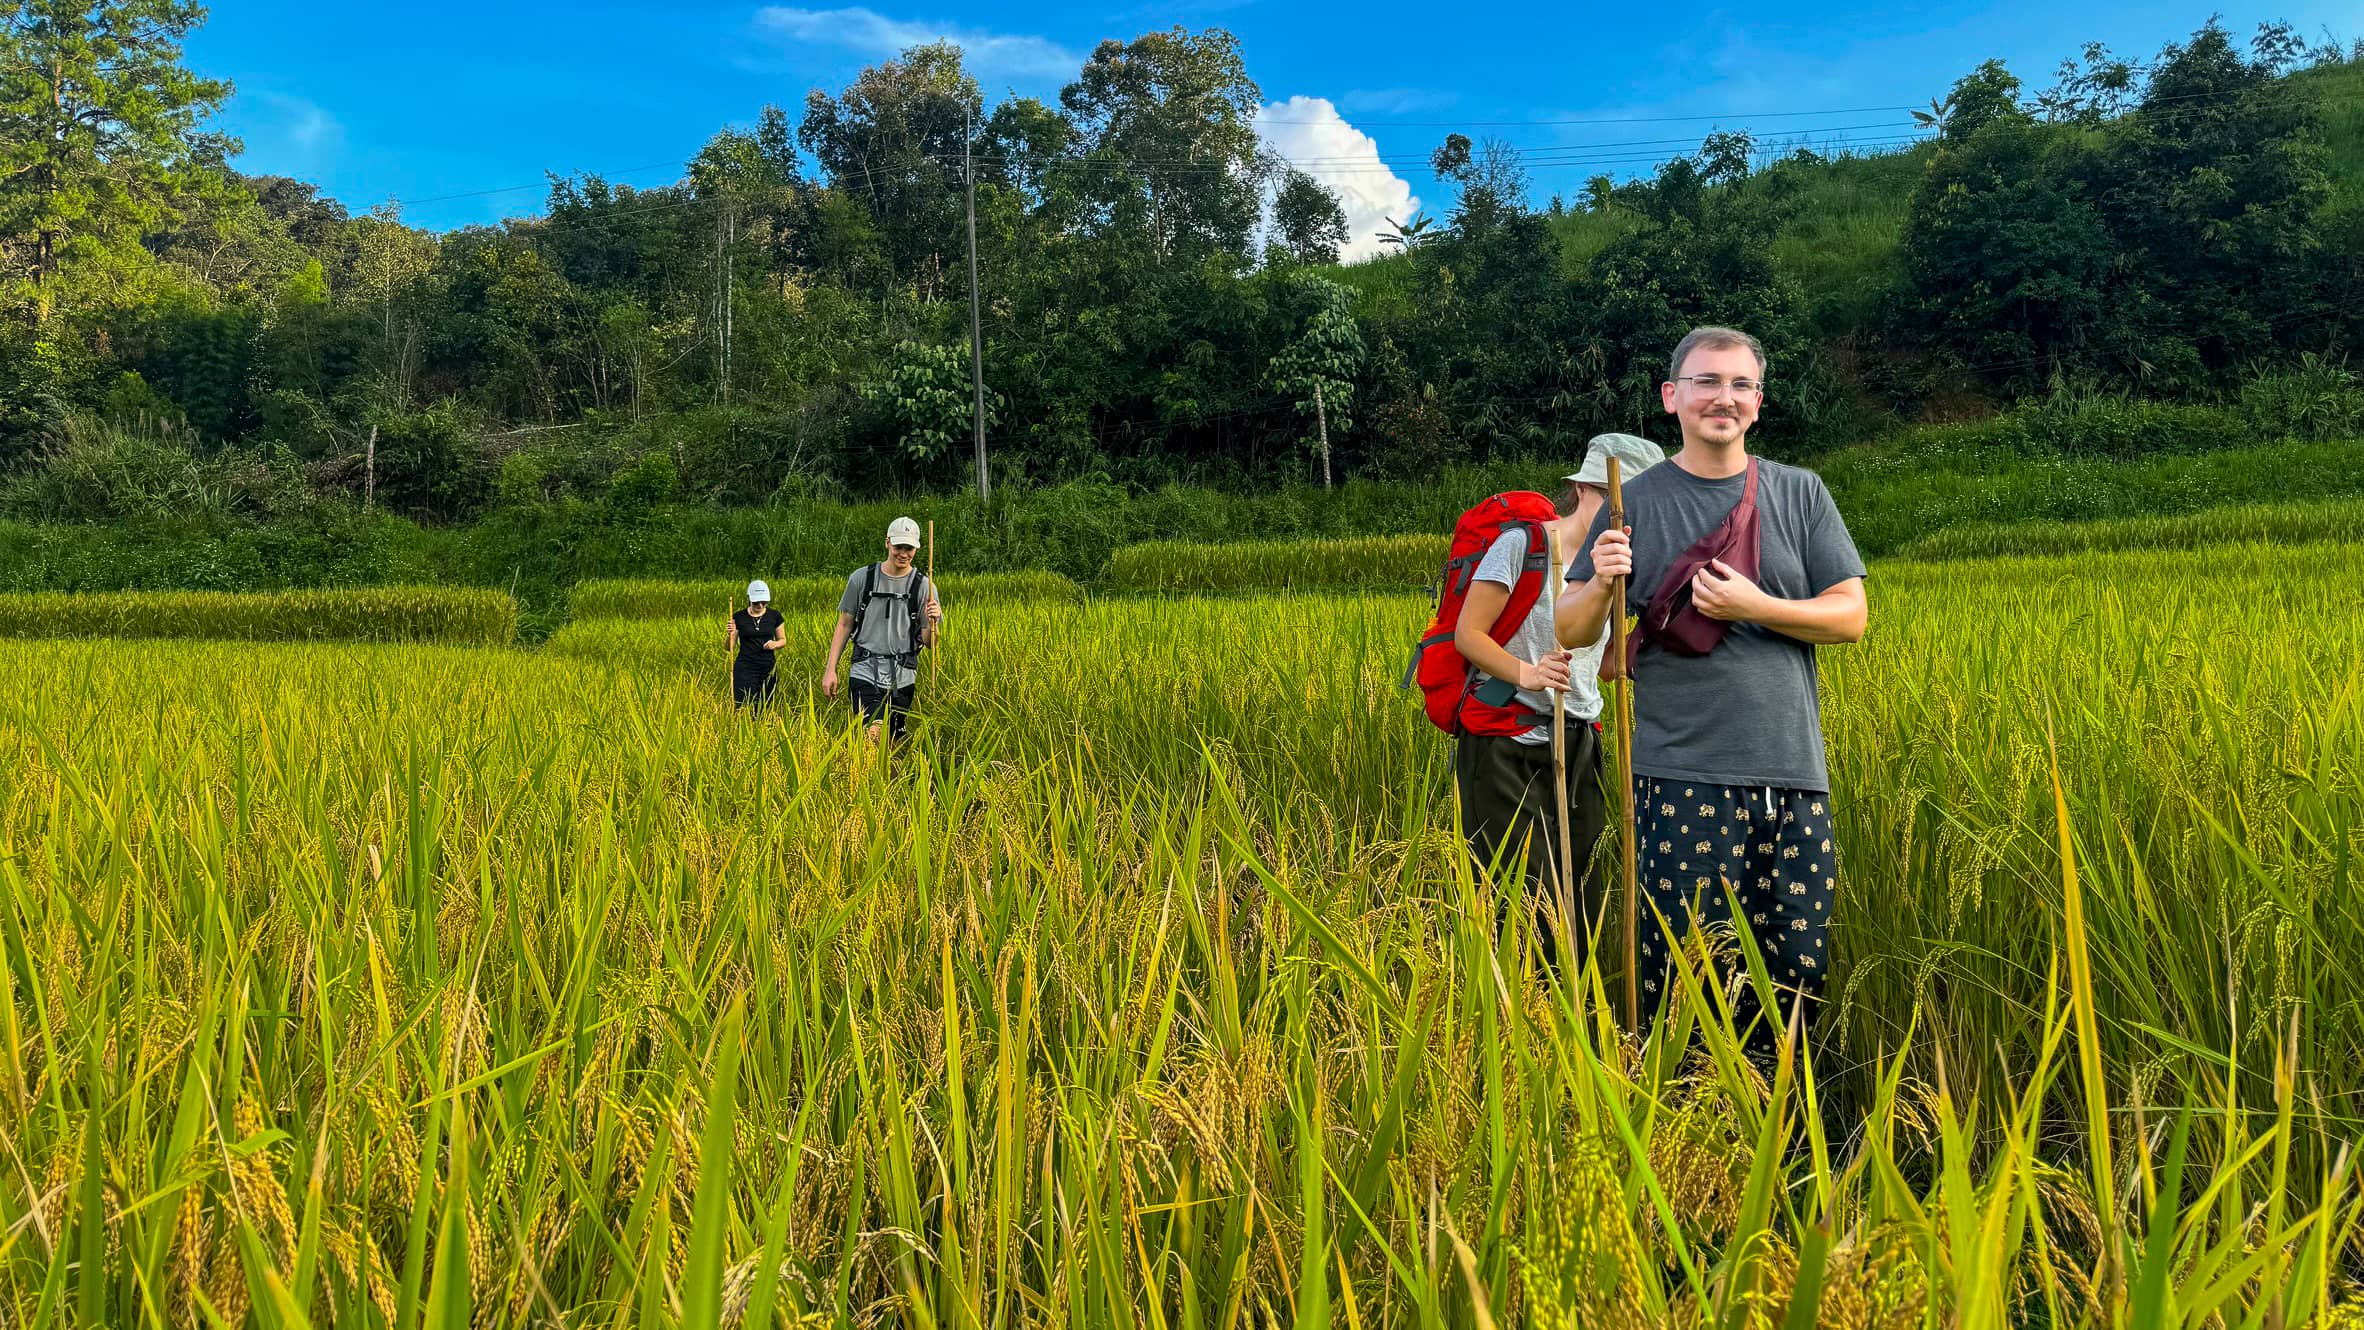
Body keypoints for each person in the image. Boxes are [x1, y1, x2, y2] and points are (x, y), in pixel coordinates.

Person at [1562, 327, 1868, 1063]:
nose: (1722, 398)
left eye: (1739, 385)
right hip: (1677, 777)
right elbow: (1572, 630)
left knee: (1792, 975)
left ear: (1757, 405)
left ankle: (1786, 1139)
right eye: (1705, 382)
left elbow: (1850, 616)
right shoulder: (1632, 501)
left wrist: (1756, 606)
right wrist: (1604, 577)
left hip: (1793, 776)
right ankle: (1686, 1146)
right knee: (1684, 975)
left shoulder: (1802, 492)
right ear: (1673, 397)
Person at [1452, 433, 1665, 968]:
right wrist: (1530, 671)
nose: (1631, 519)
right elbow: (1468, 635)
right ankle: (1524, 1030)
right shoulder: (1523, 546)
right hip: (1506, 741)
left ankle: (1579, 1027)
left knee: (1583, 898)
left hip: (1580, 744)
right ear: (1588, 491)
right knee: (1525, 904)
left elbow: (1605, 663)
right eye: (1626, 503)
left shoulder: (1618, 566)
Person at [822, 517, 942, 743]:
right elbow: (844, 624)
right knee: (873, 731)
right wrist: (831, 669)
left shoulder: (924, 586)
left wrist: (933, 622)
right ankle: (865, 776)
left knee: (895, 742)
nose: (903, 554)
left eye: (909, 548)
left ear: (917, 548)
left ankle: (889, 779)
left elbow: (929, 642)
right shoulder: (862, 578)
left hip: (903, 676)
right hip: (864, 669)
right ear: (887, 543)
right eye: (898, 547)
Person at [726, 580, 786, 709]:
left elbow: (783, 640)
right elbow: (728, 647)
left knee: (765, 705)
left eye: (764, 602)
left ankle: (762, 728)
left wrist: (774, 644)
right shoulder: (739, 617)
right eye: (756, 602)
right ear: (749, 599)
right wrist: (729, 634)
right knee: (742, 704)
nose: (760, 605)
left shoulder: (775, 616)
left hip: (768, 667)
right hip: (745, 667)